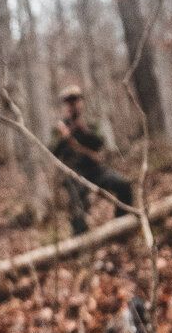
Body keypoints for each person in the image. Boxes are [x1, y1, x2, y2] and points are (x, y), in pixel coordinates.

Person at [47, 85, 134, 232]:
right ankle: (81, 243)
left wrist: (84, 130)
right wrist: (65, 137)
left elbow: (100, 143)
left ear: (81, 102)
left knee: (123, 185)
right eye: (69, 102)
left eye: (75, 100)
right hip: (74, 174)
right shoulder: (59, 128)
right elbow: (52, 152)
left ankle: (123, 227)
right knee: (77, 208)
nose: (73, 105)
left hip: (95, 169)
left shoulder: (91, 123)